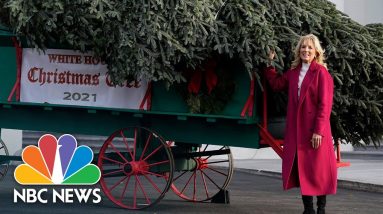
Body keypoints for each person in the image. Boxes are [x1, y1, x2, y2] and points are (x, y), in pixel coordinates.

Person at [264, 34, 337, 214]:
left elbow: (325, 105)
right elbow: (276, 84)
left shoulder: (321, 73)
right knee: (301, 168)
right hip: (297, 130)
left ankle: (321, 209)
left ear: (316, 52)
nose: (306, 50)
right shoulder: (293, 72)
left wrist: (318, 131)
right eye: (303, 47)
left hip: (315, 130)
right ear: (299, 50)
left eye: (310, 48)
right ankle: (308, 209)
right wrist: (269, 63)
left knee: (317, 170)